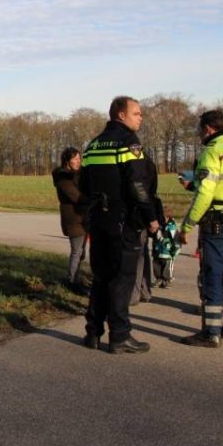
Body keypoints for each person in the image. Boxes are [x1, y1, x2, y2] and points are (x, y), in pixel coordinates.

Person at [79, 96, 159, 354]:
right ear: (121, 115)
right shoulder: (128, 142)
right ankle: (120, 336)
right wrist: (151, 217)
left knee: (101, 276)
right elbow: (138, 185)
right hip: (123, 220)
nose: (141, 117)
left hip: (98, 220)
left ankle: (93, 333)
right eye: (137, 113)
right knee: (122, 279)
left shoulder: (92, 146)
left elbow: (84, 186)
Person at [177, 109, 223, 347]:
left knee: (212, 273)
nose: (200, 134)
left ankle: (211, 332)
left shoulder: (212, 152)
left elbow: (206, 193)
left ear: (208, 128)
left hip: (217, 221)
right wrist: (194, 185)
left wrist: (187, 225)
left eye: (200, 129)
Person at [52, 147, 89, 294]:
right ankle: (71, 280)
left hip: (83, 217)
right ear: (67, 161)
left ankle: (75, 277)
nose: (78, 161)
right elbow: (76, 197)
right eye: (75, 159)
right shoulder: (63, 179)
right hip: (73, 218)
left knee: (81, 252)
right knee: (77, 251)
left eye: (79, 158)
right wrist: (93, 200)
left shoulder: (78, 174)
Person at [130, 153, 161, 306]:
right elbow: (152, 190)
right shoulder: (149, 163)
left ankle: (134, 294)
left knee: (136, 255)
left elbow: (140, 191)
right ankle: (145, 290)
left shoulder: (134, 164)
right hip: (147, 211)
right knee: (143, 253)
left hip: (136, 213)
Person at [152, 208, 180, 288]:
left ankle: (167, 279)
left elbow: (175, 239)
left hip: (167, 251)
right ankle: (159, 278)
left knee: (167, 266)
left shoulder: (171, 227)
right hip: (158, 250)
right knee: (156, 265)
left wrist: (175, 250)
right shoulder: (158, 225)